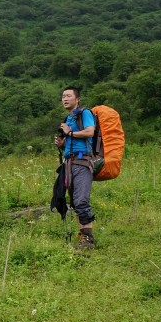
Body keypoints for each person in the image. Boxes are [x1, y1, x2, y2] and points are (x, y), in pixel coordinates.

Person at [53, 86, 97, 250]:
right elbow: (71, 141)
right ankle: (83, 236)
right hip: (70, 163)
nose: (65, 98)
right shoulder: (69, 118)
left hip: (82, 161)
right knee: (75, 201)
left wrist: (70, 133)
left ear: (77, 99)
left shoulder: (85, 113)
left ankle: (88, 239)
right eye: (63, 96)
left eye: (68, 96)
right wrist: (62, 143)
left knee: (81, 200)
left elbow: (90, 132)